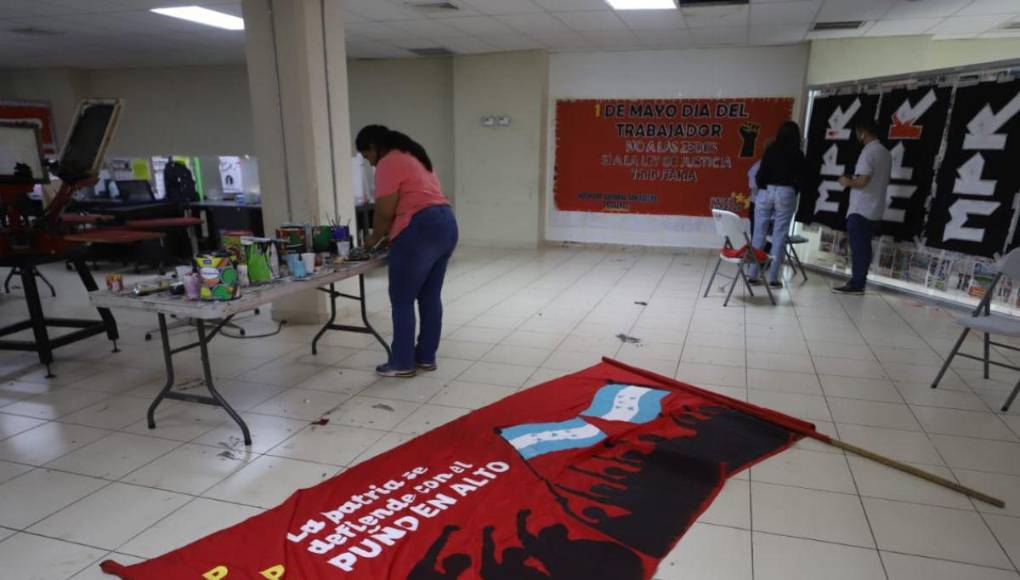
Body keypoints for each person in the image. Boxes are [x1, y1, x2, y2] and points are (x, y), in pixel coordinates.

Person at [356, 125, 458, 377]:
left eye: (367, 156)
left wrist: (372, 240)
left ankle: (401, 362)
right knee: (430, 296)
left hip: (421, 228)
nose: (370, 164)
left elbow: (384, 211)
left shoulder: (389, 162)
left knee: (402, 300)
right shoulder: (415, 156)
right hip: (446, 224)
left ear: (374, 147)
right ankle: (425, 357)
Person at [833, 120, 891, 295]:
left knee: (858, 248)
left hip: (861, 208)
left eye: (859, 133)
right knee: (865, 247)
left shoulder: (869, 152)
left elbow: (863, 181)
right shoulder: (885, 153)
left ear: (863, 133)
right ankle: (859, 281)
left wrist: (846, 181)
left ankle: (857, 283)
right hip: (876, 207)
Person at [748, 121, 808, 288]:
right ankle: (773, 278)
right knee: (779, 235)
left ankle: (752, 274)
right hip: (785, 192)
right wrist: (793, 189)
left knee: (758, 234)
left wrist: (765, 187)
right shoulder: (797, 154)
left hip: (766, 191)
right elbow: (802, 179)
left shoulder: (771, 150)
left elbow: (760, 176)